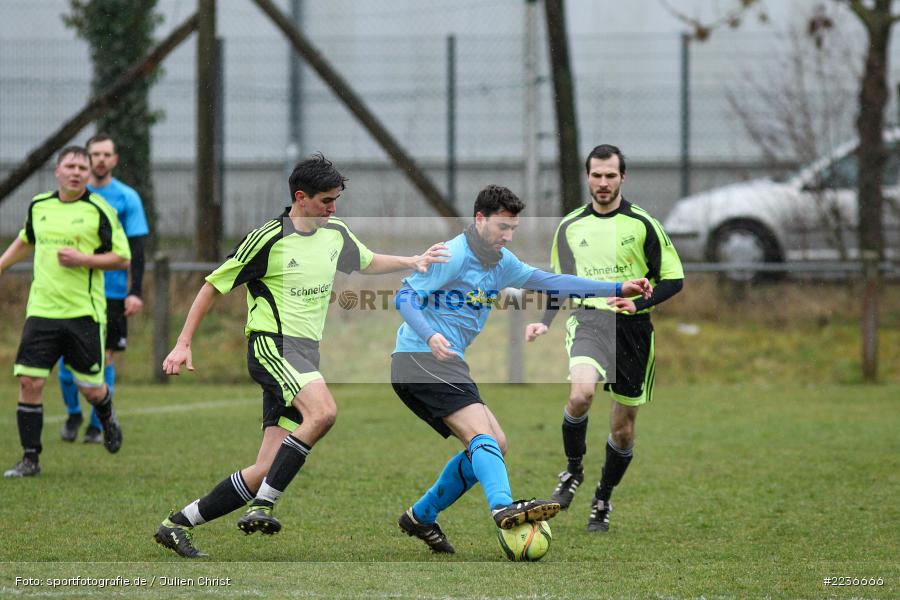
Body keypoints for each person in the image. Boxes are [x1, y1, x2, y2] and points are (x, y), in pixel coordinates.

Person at [153, 153, 449, 558]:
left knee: (264, 469)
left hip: (306, 353)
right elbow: (212, 285)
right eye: (326, 200)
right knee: (323, 412)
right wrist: (184, 342)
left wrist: (412, 261)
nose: (333, 208)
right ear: (300, 197)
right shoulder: (268, 238)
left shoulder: (336, 233)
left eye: (336, 200)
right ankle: (264, 504)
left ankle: (176, 524)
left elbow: (366, 261)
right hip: (273, 345)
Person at [391, 184, 653, 554]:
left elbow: (553, 282)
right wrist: (430, 334)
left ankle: (421, 515)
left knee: (495, 444)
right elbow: (404, 296)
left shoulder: (502, 263)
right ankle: (503, 507)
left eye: (513, 229)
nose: (508, 236)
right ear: (480, 219)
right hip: (419, 358)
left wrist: (617, 287)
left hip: (444, 363)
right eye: (502, 227)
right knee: (482, 437)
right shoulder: (453, 254)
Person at [526, 144, 684, 532]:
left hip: (633, 330)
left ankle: (603, 497)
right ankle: (573, 470)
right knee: (580, 395)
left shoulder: (642, 224)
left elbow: (674, 279)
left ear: (622, 177)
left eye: (610, 175)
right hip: (589, 320)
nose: (603, 182)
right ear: (587, 177)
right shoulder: (570, 226)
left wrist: (639, 303)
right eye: (596, 175)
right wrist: (545, 321)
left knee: (623, 429)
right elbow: (559, 282)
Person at [0, 146, 130, 477]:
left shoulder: (99, 209)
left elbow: (122, 257)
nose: (76, 172)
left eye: (82, 168)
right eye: (70, 166)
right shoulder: (39, 205)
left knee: (91, 389)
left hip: (83, 313)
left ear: (88, 174)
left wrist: (83, 259)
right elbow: (26, 239)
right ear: (57, 171)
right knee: (29, 380)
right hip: (42, 310)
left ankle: (106, 415)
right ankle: (30, 459)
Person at [58, 133, 149, 444]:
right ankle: (73, 414)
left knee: (105, 357)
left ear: (114, 159)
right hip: (71, 291)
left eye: (105, 154)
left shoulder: (127, 197)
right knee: (65, 361)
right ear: (86, 158)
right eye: (94, 154)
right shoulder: (70, 196)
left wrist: (135, 291)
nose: (100, 159)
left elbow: (136, 250)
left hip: (111, 294)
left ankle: (98, 424)